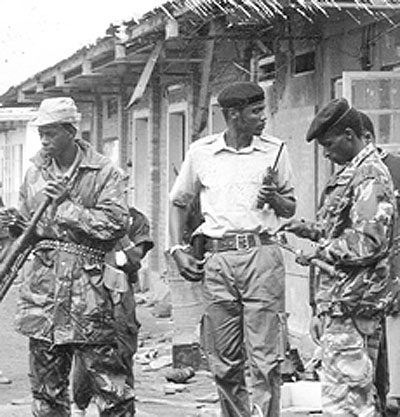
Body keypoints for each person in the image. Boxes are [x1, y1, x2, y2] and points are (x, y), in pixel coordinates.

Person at [169, 81, 296, 417]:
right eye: (255, 112)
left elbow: (290, 207)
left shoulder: (275, 150)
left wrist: (274, 199)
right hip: (219, 261)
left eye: (262, 110)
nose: (262, 118)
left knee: (266, 359)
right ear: (232, 114)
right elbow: (179, 202)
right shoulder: (201, 152)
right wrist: (176, 247)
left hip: (262, 257)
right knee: (223, 361)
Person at [0, 97, 133, 416]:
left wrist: (66, 206)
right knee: (46, 394)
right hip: (43, 296)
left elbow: (116, 224)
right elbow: (32, 227)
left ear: (71, 131)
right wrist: (16, 225)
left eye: (51, 133)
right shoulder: (35, 172)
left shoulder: (103, 172)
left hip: (88, 295)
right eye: (41, 133)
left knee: (111, 389)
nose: (44, 141)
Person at [282, 98, 397, 416]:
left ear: (350, 134)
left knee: (346, 405)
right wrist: (310, 230)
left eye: (329, 144)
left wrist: (321, 251)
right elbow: (345, 228)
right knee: (350, 398)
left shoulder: (370, 176)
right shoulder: (354, 172)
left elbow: (368, 241)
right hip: (344, 302)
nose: (326, 153)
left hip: (353, 305)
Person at [72, 206, 154, 416]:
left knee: (122, 356)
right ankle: (79, 406)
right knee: (85, 354)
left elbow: (135, 257)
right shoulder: (86, 212)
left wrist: (120, 235)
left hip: (119, 297)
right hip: (87, 294)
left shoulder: (135, 219)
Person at [360, 111, 400, 416]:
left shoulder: (391, 171)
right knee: (373, 372)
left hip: (393, 282)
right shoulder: (350, 178)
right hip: (366, 291)